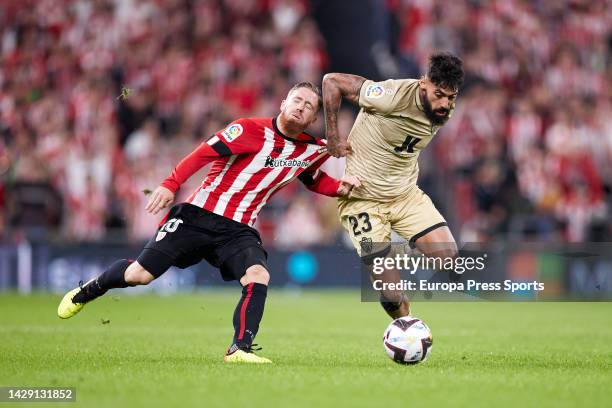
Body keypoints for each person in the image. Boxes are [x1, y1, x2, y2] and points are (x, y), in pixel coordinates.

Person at [57, 82, 361, 364]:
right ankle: (88, 290)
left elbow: (312, 178)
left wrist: (339, 188)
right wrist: (169, 184)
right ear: (283, 103)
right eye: (297, 100)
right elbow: (201, 154)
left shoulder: (310, 149)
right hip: (197, 216)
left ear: (311, 119)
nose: (301, 107)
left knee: (258, 276)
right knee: (140, 275)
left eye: (309, 106)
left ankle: (239, 349)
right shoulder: (247, 129)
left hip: (239, 230)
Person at [322, 52, 464, 318]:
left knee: (449, 259)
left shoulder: (444, 109)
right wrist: (332, 136)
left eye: (451, 97)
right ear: (423, 83)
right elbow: (332, 82)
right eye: (439, 95)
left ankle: (398, 248)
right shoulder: (391, 95)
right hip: (362, 200)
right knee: (391, 294)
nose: (445, 103)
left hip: (405, 196)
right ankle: (407, 325)